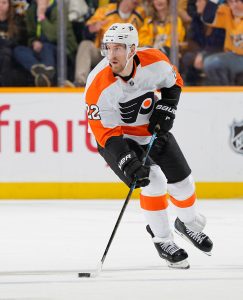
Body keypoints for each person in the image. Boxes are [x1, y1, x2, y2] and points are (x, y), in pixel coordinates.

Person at [84, 23, 213, 269]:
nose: (111, 55)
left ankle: (187, 224)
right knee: (154, 183)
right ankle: (163, 240)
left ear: (132, 49)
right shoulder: (98, 84)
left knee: (184, 184)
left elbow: (173, 82)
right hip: (118, 140)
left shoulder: (154, 61)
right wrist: (126, 161)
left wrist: (167, 106)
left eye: (118, 48)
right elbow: (105, 133)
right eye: (108, 48)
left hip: (152, 131)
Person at [74, 0, 145, 86]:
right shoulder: (105, 10)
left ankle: (133, 84)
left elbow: (145, 36)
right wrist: (93, 28)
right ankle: (80, 82)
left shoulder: (141, 13)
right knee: (85, 44)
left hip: (126, 55)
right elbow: (86, 32)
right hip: (102, 52)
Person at [13, 0, 77, 87]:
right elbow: (31, 34)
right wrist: (34, 42)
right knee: (19, 50)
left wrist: (41, 16)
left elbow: (54, 36)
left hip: (62, 50)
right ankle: (39, 69)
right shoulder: (31, 10)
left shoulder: (58, 8)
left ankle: (46, 76)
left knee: (47, 47)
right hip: (40, 48)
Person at [202, 0, 243, 85]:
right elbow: (208, 18)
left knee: (213, 63)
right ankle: (225, 94)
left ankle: (226, 92)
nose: (233, 6)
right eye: (231, 2)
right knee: (210, 62)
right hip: (232, 55)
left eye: (236, 2)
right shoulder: (228, 12)